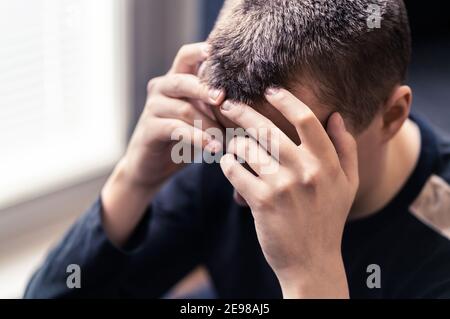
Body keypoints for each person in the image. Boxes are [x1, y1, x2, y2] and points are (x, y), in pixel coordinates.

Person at [24, 0, 450, 298]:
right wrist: (134, 177)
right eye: (234, 138)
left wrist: (312, 275)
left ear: (392, 116)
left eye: (283, 151)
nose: (245, 189)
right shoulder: (225, 153)